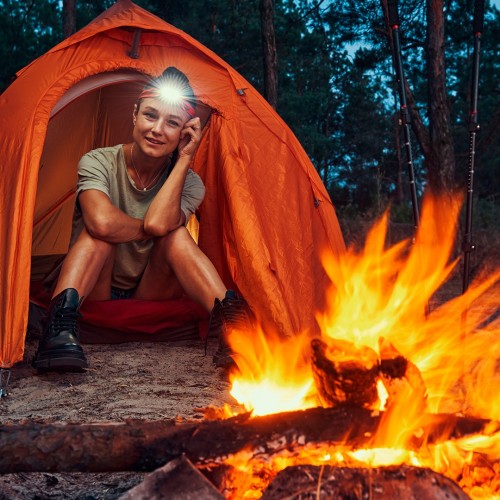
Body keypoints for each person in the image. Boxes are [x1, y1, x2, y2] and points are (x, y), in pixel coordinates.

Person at [32, 67, 251, 373]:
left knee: (174, 235)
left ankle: (236, 329)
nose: (158, 129)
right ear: (135, 114)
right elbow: (102, 223)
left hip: (151, 289)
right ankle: (58, 330)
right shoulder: (98, 160)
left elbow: (161, 226)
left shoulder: (190, 184)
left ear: (184, 133)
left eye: (172, 123)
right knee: (100, 236)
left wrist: (186, 158)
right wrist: (149, 229)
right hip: (96, 286)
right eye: (150, 115)